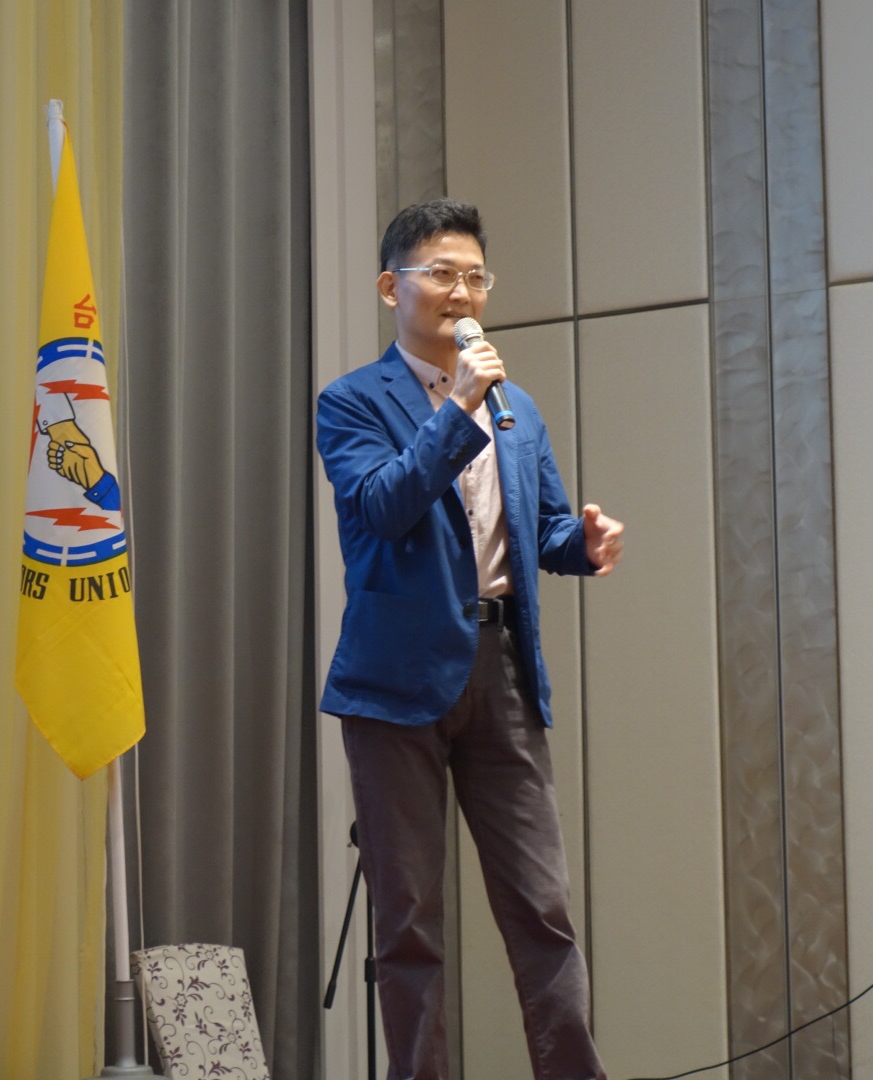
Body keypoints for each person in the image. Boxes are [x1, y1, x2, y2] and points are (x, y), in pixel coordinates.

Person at [316, 198, 623, 1080]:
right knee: (409, 919)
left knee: (543, 906)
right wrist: (458, 407)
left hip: (503, 670)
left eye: (475, 276)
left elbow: (543, 527)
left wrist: (584, 542)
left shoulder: (515, 406)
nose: (463, 293)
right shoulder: (352, 402)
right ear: (392, 288)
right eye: (442, 274)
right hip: (394, 684)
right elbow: (384, 507)